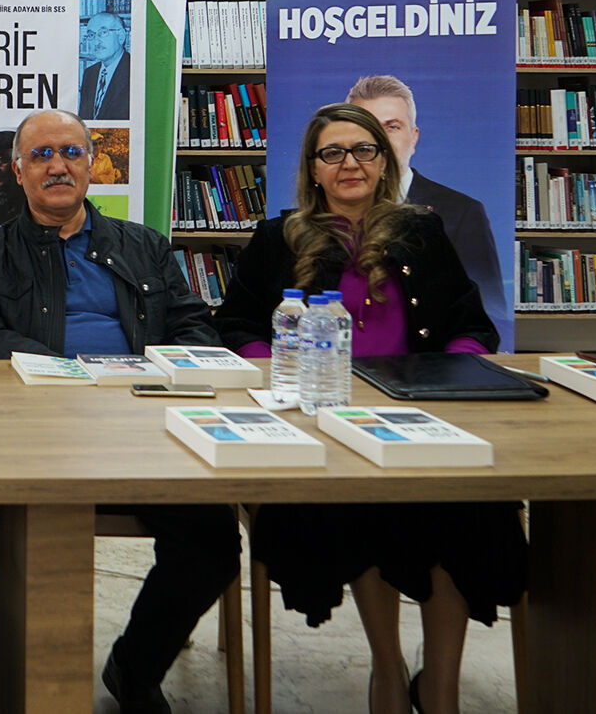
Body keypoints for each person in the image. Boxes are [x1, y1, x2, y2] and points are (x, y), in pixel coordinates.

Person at [210, 102, 525, 714]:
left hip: (420, 413)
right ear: (313, 169)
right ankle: (387, 668)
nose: (349, 163)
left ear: (384, 162)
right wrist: (276, 368)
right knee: (358, 509)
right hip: (319, 420)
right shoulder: (278, 238)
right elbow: (237, 324)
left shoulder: (423, 232)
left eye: (364, 150)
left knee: (470, 511)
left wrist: (447, 374)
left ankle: (441, 685)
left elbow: (470, 323)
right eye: (332, 153)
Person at [0, 109, 240, 714]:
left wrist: (170, 372)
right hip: (40, 429)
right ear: (18, 171)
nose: (58, 166)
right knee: (23, 527)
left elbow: (193, 325)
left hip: (145, 424)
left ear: (92, 164)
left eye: (71, 152)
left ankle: (134, 668)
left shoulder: (145, 245)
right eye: (41, 155)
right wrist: (78, 375)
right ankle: (24, 675)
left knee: (211, 540)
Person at [346, 74, 508, 336]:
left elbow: (488, 315)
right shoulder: (327, 212)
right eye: (368, 127)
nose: (380, 140)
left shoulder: (462, 213)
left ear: (414, 138)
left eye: (392, 127)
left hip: (433, 357)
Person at [80, 10, 131, 121]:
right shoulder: (89, 73)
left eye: (103, 32)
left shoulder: (135, 71)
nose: (96, 42)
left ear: (121, 36)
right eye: (91, 35)